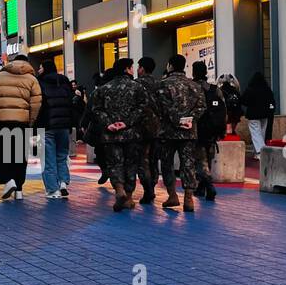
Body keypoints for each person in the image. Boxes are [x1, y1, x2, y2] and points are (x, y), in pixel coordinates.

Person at [88, 58, 154, 212]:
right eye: (131, 67)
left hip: (110, 135)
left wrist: (108, 123)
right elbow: (143, 108)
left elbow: (96, 110)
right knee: (131, 164)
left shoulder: (103, 89)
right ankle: (129, 197)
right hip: (131, 134)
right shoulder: (137, 87)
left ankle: (119, 190)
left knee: (114, 164)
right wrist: (127, 122)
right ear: (126, 69)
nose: (133, 70)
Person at [0, 56, 42, 201]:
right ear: (27, 64)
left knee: (1, 154)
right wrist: (31, 121)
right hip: (22, 123)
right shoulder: (32, 80)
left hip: (3, 122)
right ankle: (19, 189)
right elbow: (36, 103)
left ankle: (8, 180)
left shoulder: (0, 77)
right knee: (20, 157)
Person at [154, 55, 207, 213]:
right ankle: (189, 198)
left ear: (170, 65)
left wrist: (175, 120)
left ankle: (172, 195)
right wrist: (188, 120)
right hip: (189, 132)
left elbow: (159, 107)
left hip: (167, 132)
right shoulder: (194, 86)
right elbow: (202, 107)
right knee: (188, 163)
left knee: (167, 163)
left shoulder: (162, 85)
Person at [136, 56, 174, 205]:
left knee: (143, 161)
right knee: (153, 160)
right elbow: (167, 106)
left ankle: (148, 191)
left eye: (139, 67)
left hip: (141, 130)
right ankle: (152, 185)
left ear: (142, 69)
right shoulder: (160, 84)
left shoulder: (136, 85)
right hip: (158, 129)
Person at [36, 56, 75, 199]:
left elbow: (38, 105)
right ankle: (63, 183)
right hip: (64, 125)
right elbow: (71, 102)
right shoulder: (64, 80)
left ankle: (53, 190)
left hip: (47, 125)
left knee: (48, 159)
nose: (38, 70)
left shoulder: (39, 82)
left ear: (45, 68)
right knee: (62, 156)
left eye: (40, 67)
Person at [191, 61, 227, 202]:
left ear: (194, 72)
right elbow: (223, 111)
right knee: (208, 158)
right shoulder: (214, 89)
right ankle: (201, 187)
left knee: (199, 161)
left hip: (196, 129)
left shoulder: (192, 88)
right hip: (212, 130)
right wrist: (222, 130)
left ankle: (209, 185)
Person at [243, 72, 276, 155]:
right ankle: (257, 152)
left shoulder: (250, 89)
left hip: (253, 115)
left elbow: (244, 100)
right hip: (265, 115)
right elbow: (272, 101)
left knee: (256, 134)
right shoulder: (267, 89)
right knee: (261, 133)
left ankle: (260, 152)